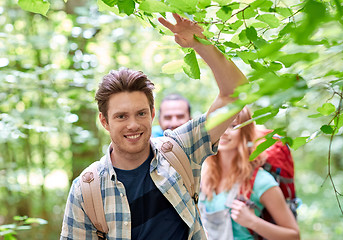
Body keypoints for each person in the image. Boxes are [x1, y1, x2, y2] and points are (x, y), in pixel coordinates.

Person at [60, 13, 248, 240]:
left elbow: (236, 93)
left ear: (152, 114)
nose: (133, 124)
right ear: (104, 121)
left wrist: (200, 43)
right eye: (121, 116)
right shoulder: (86, 190)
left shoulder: (181, 149)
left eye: (140, 113)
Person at [199, 106, 300, 240]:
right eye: (219, 125)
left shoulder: (260, 181)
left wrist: (253, 222)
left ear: (245, 132)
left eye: (233, 126)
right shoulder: (203, 174)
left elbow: (294, 236)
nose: (224, 132)